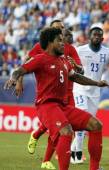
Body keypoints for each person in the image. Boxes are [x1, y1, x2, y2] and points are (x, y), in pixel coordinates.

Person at [4, 27, 108, 170]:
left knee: (96, 125)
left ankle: (94, 168)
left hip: (63, 106)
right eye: (59, 40)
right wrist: (14, 78)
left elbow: (76, 77)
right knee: (66, 131)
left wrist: (97, 83)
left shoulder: (64, 60)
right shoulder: (40, 59)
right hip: (46, 106)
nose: (63, 43)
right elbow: (19, 70)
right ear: (50, 43)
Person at [20, 20, 83, 170]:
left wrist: (76, 66)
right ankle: (46, 156)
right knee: (61, 128)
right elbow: (27, 63)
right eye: (58, 28)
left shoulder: (69, 48)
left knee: (63, 128)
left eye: (62, 28)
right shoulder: (40, 47)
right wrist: (18, 81)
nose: (61, 31)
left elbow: (80, 70)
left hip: (68, 93)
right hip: (49, 94)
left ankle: (44, 156)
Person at [71, 25, 109, 164]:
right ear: (89, 36)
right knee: (82, 116)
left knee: (89, 123)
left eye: (99, 35)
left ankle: (73, 150)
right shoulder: (79, 50)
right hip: (79, 88)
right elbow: (69, 63)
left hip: (95, 91)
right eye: (94, 34)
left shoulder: (108, 52)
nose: (97, 37)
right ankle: (78, 154)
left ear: (102, 38)